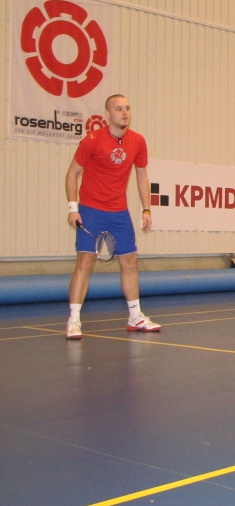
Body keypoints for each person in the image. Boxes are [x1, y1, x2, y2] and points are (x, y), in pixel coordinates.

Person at [64, 94, 160, 340]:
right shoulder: (92, 140)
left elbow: (142, 175)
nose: (124, 112)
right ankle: (74, 320)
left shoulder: (137, 141)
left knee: (130, 262)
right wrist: (73, 208)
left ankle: (135, 316)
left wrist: (146, 209)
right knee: (85, 262)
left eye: (127, 108)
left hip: (119, 212)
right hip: (91, 210)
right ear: (107, 114)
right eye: (118, 109)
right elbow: (72, 173)